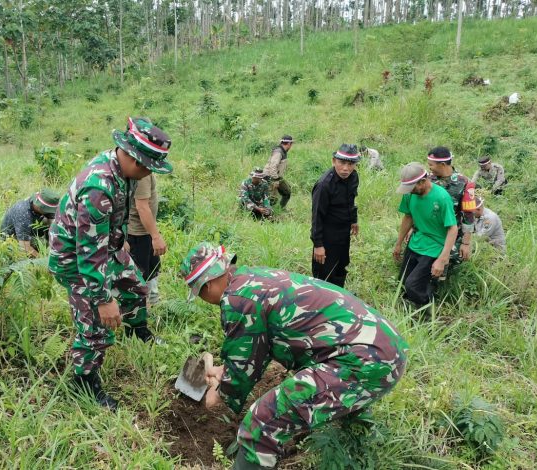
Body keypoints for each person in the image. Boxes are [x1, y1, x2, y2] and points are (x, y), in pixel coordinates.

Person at [180, 242, 408, 469]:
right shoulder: (252, 279)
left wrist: (214, 397)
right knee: (329, 405)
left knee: (262, 421)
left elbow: (242, 372)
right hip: (384, 345)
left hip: (364, 361)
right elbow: (256, 351)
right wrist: (222, 372)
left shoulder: (238, 300)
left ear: (206, 286)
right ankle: (353, 444)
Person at [48, 117, 172, 410]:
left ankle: (139, 332)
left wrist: (121, 242)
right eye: (145, 166)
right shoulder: (98, 187)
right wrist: (103, 300)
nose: (147, 174)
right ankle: (84, 383)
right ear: (128, 154)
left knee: (136, 289)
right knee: (95, 328)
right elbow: (89, 254)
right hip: (77, 261)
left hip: (108, 247)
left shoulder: (124, 171)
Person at [393, 163, 458, 307]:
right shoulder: (410, 194)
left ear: (423, 181)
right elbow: (408, 217)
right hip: (416, 241)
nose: (409, 191)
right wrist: (398, 243)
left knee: (413, 285)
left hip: (434, 246)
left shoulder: (441, 197)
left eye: (412, 187)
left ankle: (428, 311)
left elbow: (452, 229)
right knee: (403, 282)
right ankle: (410, 307)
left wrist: (443, 258)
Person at [311, 144, 360, 287]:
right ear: (334, 161)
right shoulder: (324, 185)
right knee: (324, 272)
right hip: (327, 234)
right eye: (342, 163)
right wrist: (318, 245)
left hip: (344, 231)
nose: (346, 168)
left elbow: (351, 199)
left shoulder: (353, 177)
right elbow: (316, 217)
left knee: (341, 265)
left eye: (350, 164)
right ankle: (322, 303)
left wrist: (353, 220)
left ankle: (339, 297)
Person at [427, 146, 476, 266]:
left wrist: (466, 243)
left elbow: (468, 214)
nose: (429, 167)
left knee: (446, 266)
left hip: (451, 235)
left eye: (431, 165)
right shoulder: (428, 180)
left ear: (443, 164)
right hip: (428, 232)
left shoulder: (464, 183)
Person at [127, 173, 166, 305]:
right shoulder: (142, 174)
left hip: (145, 232)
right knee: (140, 276)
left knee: (152, 268)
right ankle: (139, 311)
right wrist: (156, 236)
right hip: (137, 234)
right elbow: (142, 207)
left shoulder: (145, 171)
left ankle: (153, 302)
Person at [0, 189, 61, 257]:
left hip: (31, 229)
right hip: (12, 240)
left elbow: (53, 225)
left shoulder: (43, 208)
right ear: (39, 206)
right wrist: (43, 259)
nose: (50, 212)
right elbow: (24, 247)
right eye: (48, 210)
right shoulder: (23, 213)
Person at [263, 135, 293, 209]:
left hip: (277, 177)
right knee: (272, 198)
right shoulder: (278, 152)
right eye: (291, 144)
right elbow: (272, 167)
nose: (291, 146)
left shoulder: (283, 151)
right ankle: (267, 213)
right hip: (270, 177)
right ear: (289, 144)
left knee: (287, 192)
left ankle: (282, 209)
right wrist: (275, 180)